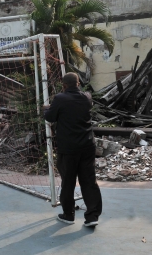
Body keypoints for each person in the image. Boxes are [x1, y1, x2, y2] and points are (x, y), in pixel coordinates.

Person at [44, 72, 102, 228]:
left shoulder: (59, 99)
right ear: (78, 84)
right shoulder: (87, 97)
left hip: (68, 148)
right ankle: (92, 216)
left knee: (68, 182)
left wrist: (46, 109)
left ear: (64, 85)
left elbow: (50, 117)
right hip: (88, 146)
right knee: (89, 181)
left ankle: (68, 215)